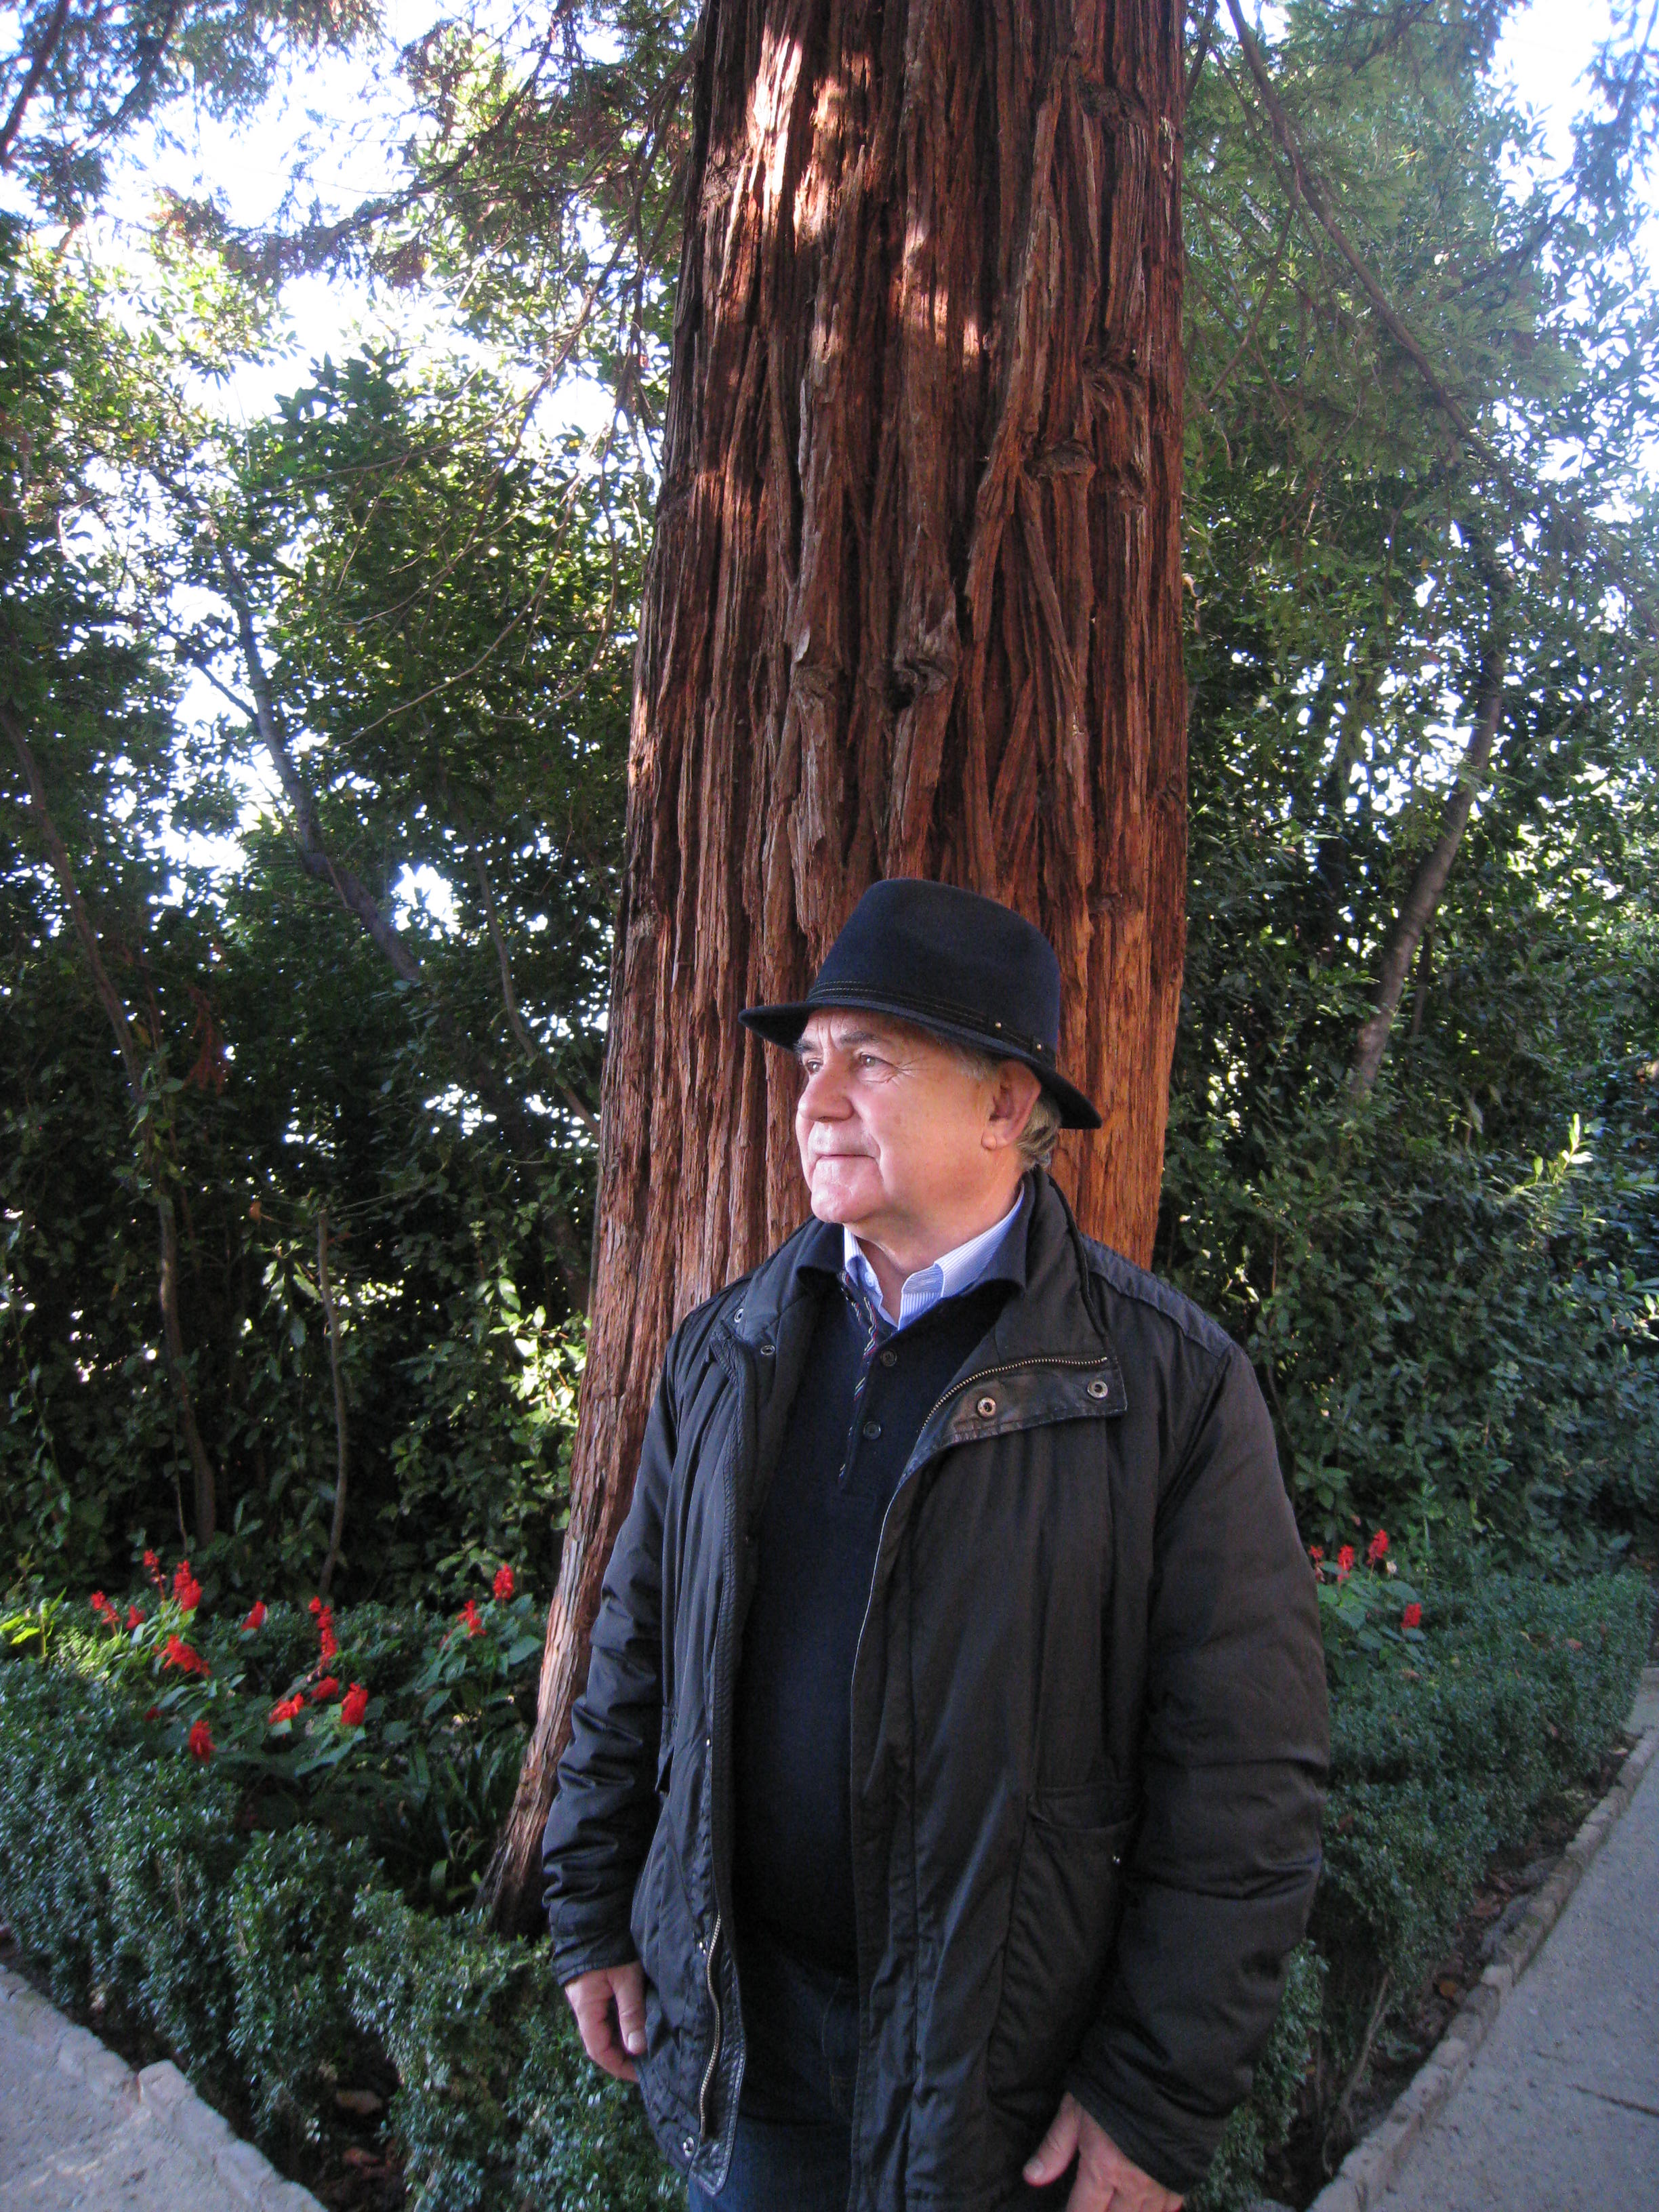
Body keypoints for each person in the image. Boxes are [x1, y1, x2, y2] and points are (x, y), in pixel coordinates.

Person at [543, 878, 1328, 2212]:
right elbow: (636, 1648)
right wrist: (592, 1905)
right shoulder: (727, 1350)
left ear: (1007, 1105)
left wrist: (1152, 2096)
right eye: (810, 1061)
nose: (817, 1100)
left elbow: (1245, 1778)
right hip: (750, 2045)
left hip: (998, 2090)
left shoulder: (1171, 1389)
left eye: (872, 1059)